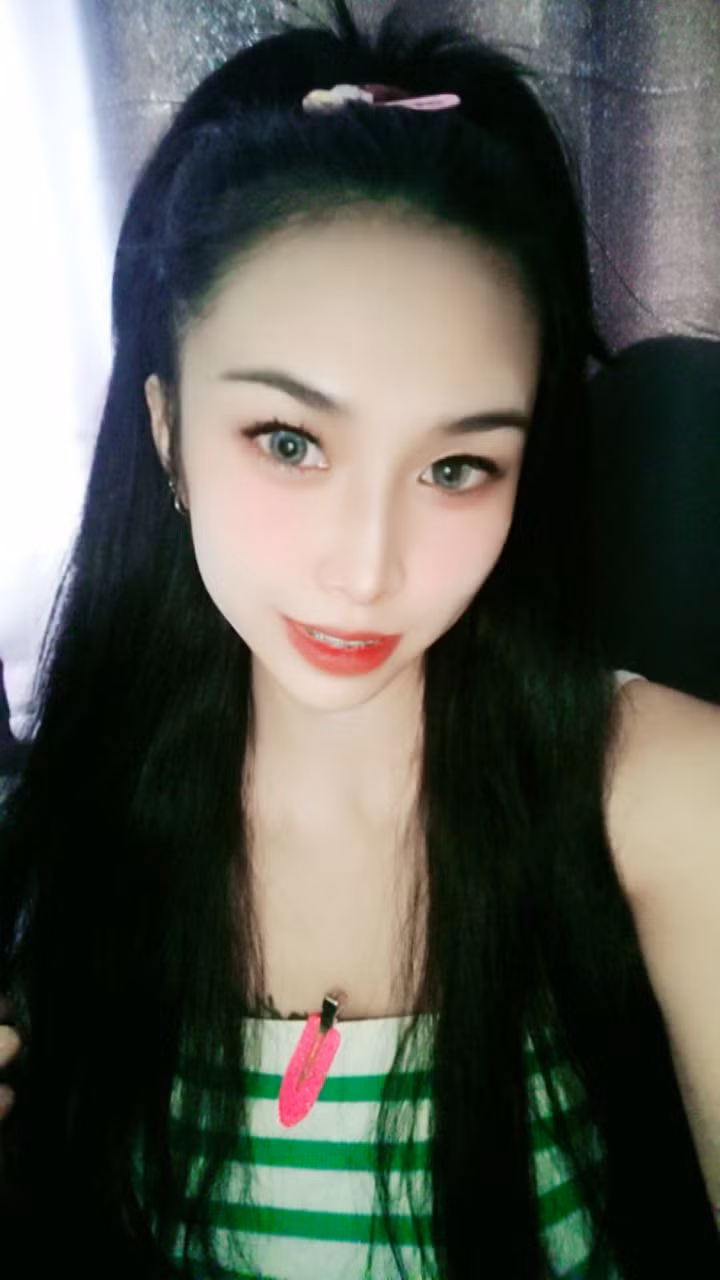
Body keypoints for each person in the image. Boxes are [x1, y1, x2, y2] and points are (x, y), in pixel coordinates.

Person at [0, 1, 718, 1275]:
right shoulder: (76, 824)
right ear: (167, 433)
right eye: (289, 441)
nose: (368, 567)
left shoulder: (660, 792)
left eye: (456, 465)